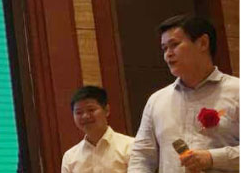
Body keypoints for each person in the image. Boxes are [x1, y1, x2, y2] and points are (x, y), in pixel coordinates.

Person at [128, 14, 239, 173]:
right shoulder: (157, 100)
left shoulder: (236, 91)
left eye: (174, 45)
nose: (168, 54)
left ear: (203, 43)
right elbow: (141, 157)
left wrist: (212, 158)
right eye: (164, 48)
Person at [61, 85, 133, 173]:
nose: (85, 116)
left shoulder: (130, 146)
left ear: (106, 110)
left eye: (91, 110)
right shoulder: (70, 157)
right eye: (79, 112)